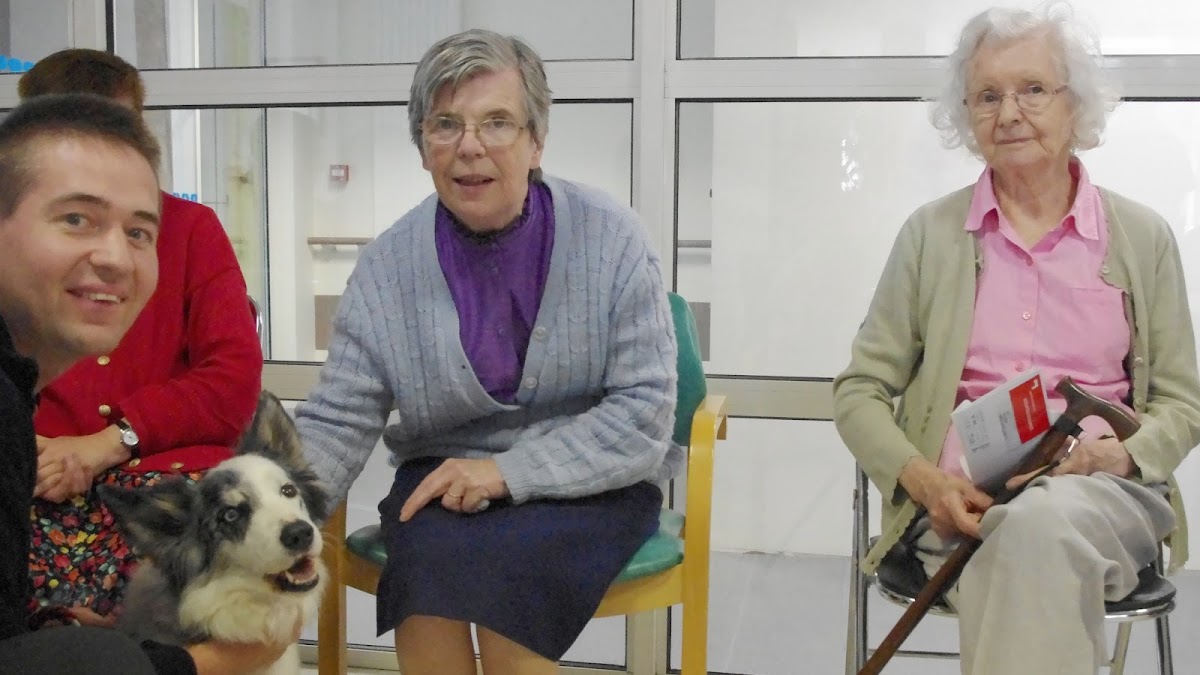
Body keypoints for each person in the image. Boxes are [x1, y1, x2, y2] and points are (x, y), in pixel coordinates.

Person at [296, 28, 680, 675]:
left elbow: (644, 413)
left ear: (537, 141)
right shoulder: (386, 268)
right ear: (423, 145)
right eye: (445, 124)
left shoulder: (614, 238)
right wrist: (270, 506)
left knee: (506, 603)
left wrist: (506, 472)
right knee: (425, 585)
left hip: (589, 479)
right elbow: (339, 418)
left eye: (497, 122)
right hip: (445, 481)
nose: (469, 146)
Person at [833, 4, 1200, 674]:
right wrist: (926, 482)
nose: (1009, 113)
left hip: (1103, 501)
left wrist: (1121, 455)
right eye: (987, 96)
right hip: (960, 507)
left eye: (1033, 89)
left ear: (1074, 104)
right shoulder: (930, 236)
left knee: (1036, 530)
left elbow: (1183, 401)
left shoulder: (1141, 238)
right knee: (1027, 541)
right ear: (967, 116)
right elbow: (859, 391)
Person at [0, 93, 292, 675]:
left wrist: (113, 442)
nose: (114, 256)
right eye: (76, 218)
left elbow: (231, 379)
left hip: (156, 473)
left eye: (138, 231)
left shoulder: (194, 233)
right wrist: (204, 663)